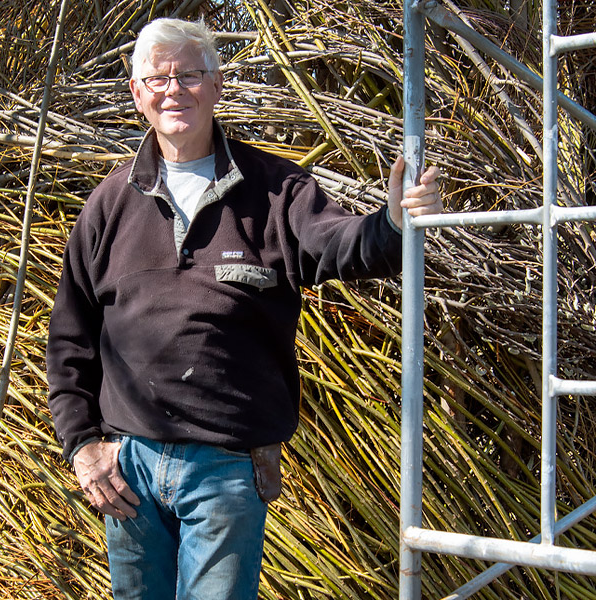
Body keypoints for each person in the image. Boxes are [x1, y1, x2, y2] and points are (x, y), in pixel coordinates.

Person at [46, 17, 442, 600]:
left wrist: (394, 224)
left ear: (218, 85)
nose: (173, 90)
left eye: (190, 75)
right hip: (127, 467)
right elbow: (70, 339)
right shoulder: (108, 204)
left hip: (228, 469)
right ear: (137, 94)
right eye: (157, 79)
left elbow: (336, 245)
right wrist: (83, 447)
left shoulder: (275, 188)